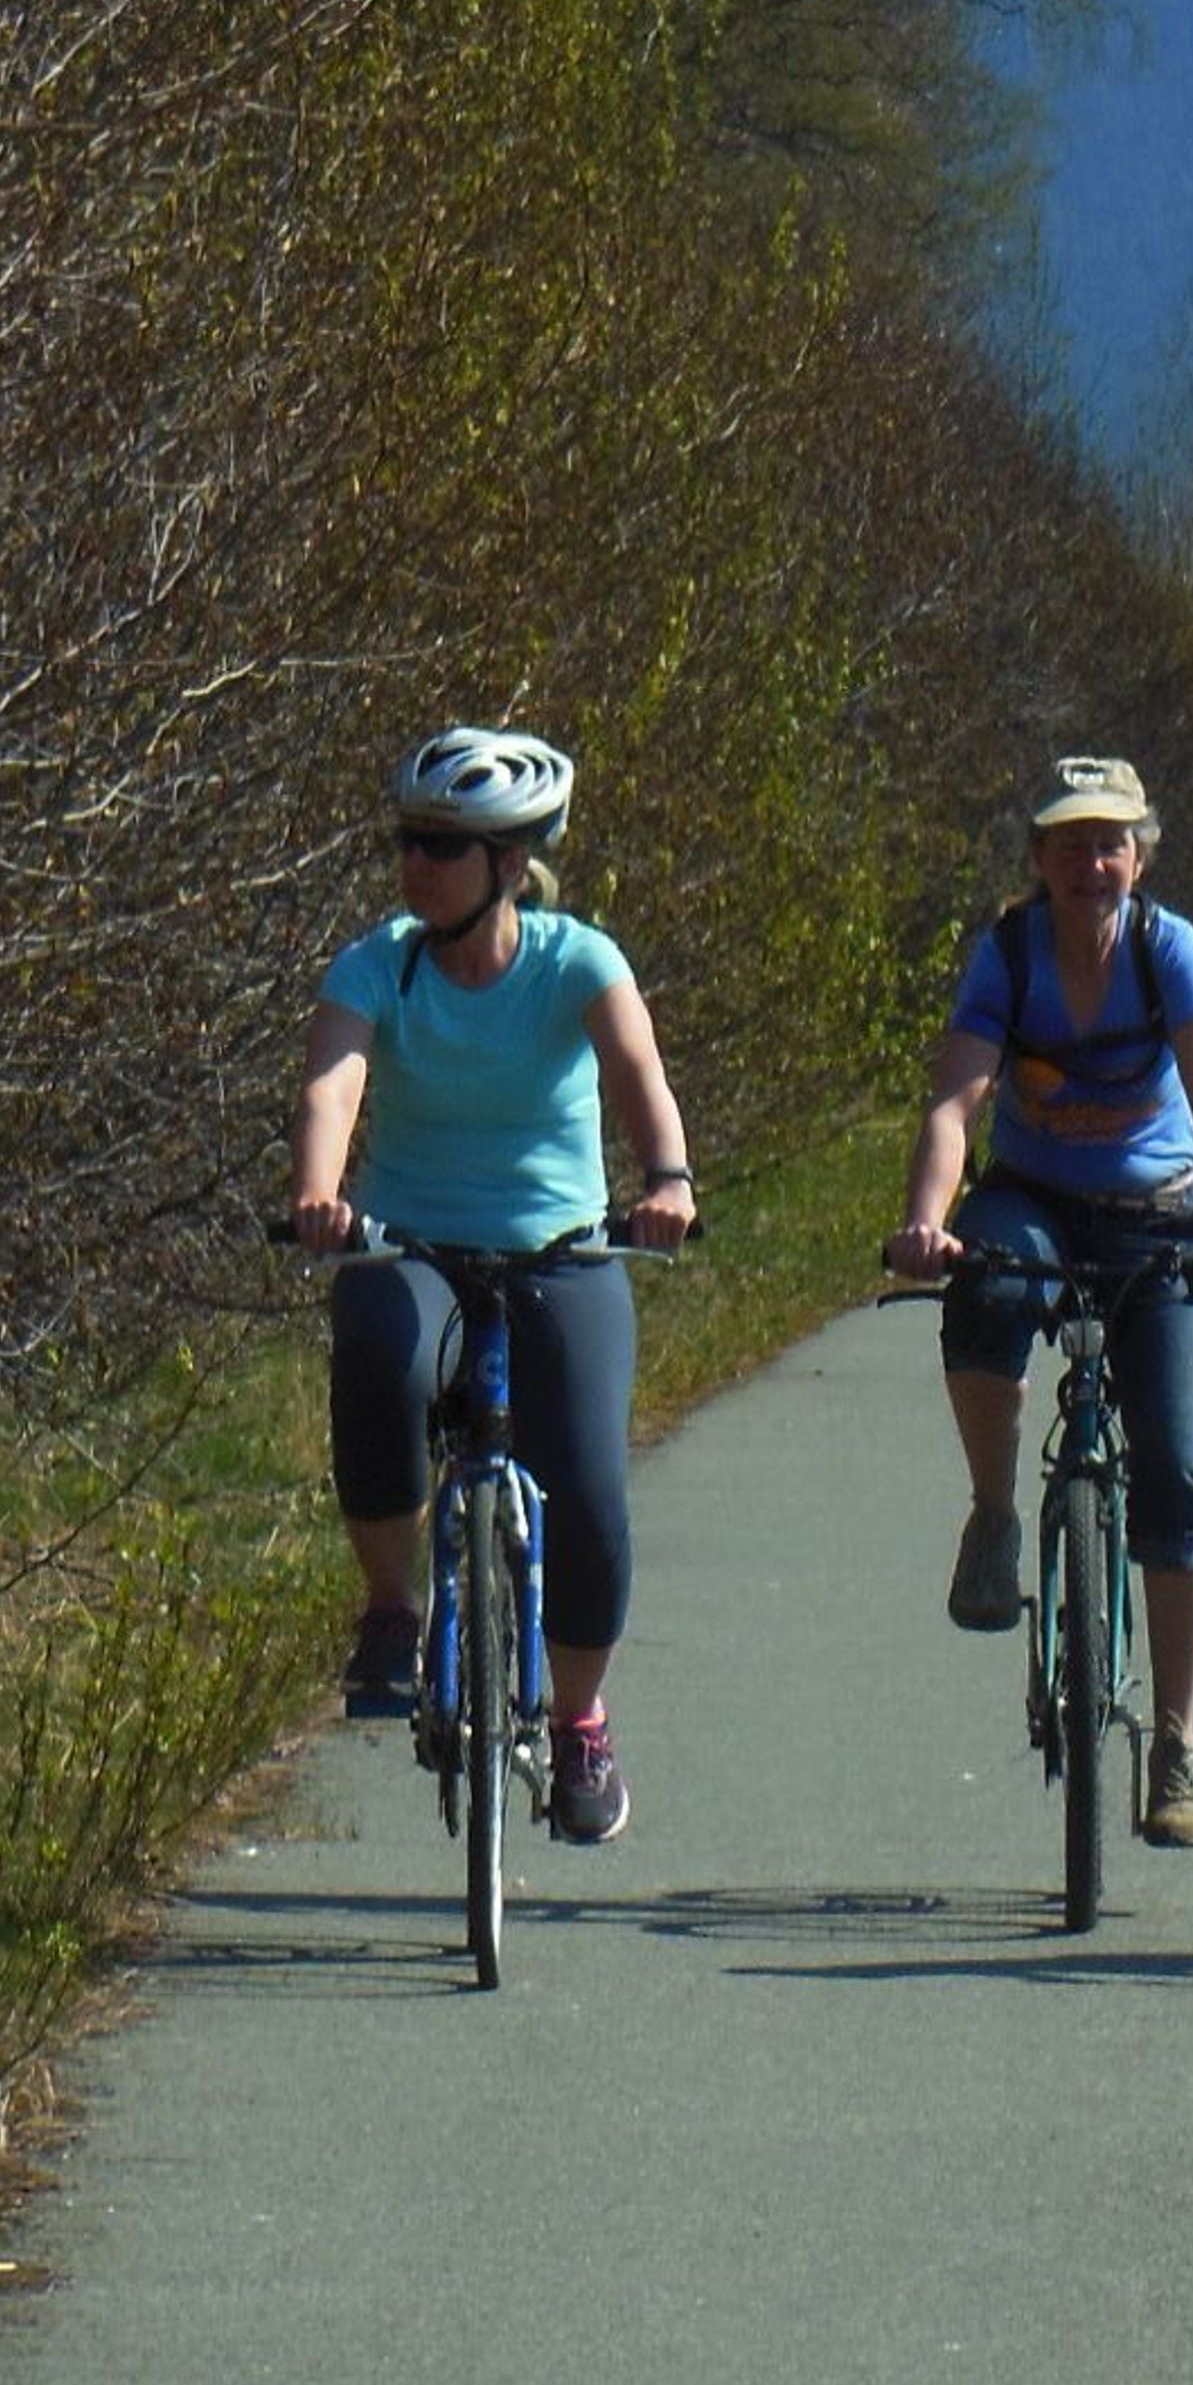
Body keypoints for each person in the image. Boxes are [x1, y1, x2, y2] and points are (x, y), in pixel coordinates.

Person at [288, 722, 695, 1848]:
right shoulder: (380, 962)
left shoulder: (578, 962)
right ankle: (390, 1607)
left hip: (559, 1245)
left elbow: (639, 1076)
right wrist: (321, 1193)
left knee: (592, 1483)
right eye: (409, 840)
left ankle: (579, 1723)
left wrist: (667, 1179)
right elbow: (333, 1086)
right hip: (407, 1238)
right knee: (379, 1352)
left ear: (510, 863)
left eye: (443, 845)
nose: (415, 863)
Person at [884, 754, 1193, 1852]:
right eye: (1068, 843)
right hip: (1035, 1199)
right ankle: (996, 1511)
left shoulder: (1169, 948)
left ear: (1139, 854)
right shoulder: (1010, 952)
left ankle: (1178, 1737)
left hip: (1157, 1211)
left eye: (1110, 842)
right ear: (1039, 860)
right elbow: (955, 1101)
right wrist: (928, 1217)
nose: (1090, 863)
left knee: (1182, 1468)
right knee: (985, 1289)